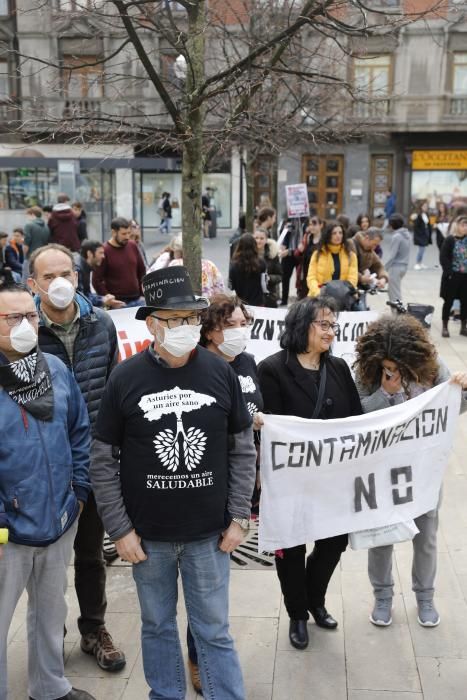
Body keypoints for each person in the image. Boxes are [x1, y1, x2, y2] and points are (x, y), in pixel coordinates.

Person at [90, 266, 256, 700]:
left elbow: (242, 448)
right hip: (148, 540)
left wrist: (240, 515)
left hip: (210, 536)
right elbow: (103, 459)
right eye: (174, 320)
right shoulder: (125, 378)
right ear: (151, 323)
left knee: (214, 631)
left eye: (191, 319)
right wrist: (119, 529)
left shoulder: (220, 374)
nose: (185, 328)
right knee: (157, 627)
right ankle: (165, 694)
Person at [28, 244, 126, 673]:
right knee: (43, 559)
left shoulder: (100, 324)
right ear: (33, 284)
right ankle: (50, 636)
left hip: (91, 462)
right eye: (48, 277)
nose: (58, 282)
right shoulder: (22, 330)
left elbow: (116, 387)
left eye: (65, 272)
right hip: (40, 467)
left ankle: (94, 630)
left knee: (90, 554)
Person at [0, 282, 95, 700]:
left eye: (31, 316)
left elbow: (79, 431)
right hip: (7, 533)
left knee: (50, 610)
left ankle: (49, 688)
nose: (25, 324)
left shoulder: (54, 369)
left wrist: (78, 490)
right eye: (12, 318)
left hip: (58, 517)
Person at [257, 297, 363, 650]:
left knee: (334, 544)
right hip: (291, 483)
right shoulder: (272, 369)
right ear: (302, 327)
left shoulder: (338, 369)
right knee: (291, 549)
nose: (331, 331)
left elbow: (357, 418)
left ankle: (315, 600)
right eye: (324, 324)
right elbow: (269, 428)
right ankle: (297, 615)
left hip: (334, 481)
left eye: (334, 325)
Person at [353, 314, 467, 627]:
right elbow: (357, 415)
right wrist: (385, 394)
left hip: (423, 470)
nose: (394, 372)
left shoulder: (432, 366)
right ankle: (383, 596)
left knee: (426, 536)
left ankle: (425, 597)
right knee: (381, 536)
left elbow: (452, 406)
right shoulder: (366, 372)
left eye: (400, 367)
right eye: (388, 366)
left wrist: (462, 389)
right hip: (381, 470)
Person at [179, 293, 263, 693]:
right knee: (205, 590)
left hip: (239, 483)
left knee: (214, 590)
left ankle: (209, 654)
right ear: (211, 330)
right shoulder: (198, 367)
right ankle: (199, 658)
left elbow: (250, 418)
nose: (241, 331)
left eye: (245, 322)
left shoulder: (246, 363)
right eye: (232, 324)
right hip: (205, 487)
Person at [92, 217, 146, 307]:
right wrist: (109, 299)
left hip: (138, 300)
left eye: (129, 233)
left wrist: (142, 294)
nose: (127, 237)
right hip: (117, 304)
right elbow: (96, 280)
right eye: (123, 234)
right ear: (113, 232)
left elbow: (142, 271)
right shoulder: (104, 250)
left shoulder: (132, 245)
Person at [153, 233, 225, 298]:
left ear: (177, 250)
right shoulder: (210, 264)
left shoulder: (175, 264)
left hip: (183, 309)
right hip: (207, 307)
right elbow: (220, 290)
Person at [306, 221, 358, 298]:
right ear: (328, 235)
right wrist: (318, 293)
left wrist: (343, 293)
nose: (338, 236)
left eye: (340, 233)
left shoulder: (351, 255)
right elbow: (311, 278)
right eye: (334, 233)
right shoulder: (317, 254)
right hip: (319, 297)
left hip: (342, 297)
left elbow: (352, 279)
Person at [440, 215, 467, 338]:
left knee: (465, 302)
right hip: (453, 276)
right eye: (463, 225)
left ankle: (463, 327)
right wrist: (449, 272)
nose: (465, 228)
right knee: (448, 302)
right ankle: (445, 327)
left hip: (465, 276)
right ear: (457, 226)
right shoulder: (450, 240)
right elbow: (443, 257)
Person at [77, 240, 125, 309]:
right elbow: (80, 299)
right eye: (100, 253)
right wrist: (102, 300)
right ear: (89, 253)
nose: (103, 256)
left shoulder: (85, 267)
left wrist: (103, 298)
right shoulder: (78, 269)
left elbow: (86, 294)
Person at [229, 233, 267, 306]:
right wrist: (266, 294)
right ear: (254, 245)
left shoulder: (234, 265)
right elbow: (264, 284)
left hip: (241, 304)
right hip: (258, 302)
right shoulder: (261, 263)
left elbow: (231, 286)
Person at [382, 213, 411, 304]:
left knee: (394, 294)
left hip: (396, 267)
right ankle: (398, 314)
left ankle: (397, 316)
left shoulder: (396, 236)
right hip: (404, 266)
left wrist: (383, 269)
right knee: (396, 292)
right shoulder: (407, 234)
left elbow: (392, 256)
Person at [352, 227, 388, 298]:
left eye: (376, 245)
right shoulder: (351, 244)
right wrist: (361, 278)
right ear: (367, 238)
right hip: (349, 286)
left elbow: (379, 266)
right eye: (374, 244)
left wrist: (383, 278)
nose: (374, 248)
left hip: (361, 287)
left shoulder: (369, 250)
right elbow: (347, 268)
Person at [294, 216, 323, 299]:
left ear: (321, 225)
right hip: (306, 273)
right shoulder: (307, 238)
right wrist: (299, 251)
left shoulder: (324, 240)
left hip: (318, 274)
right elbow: (297, 256)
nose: (312, 227)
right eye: (310, 224)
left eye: (314, 224)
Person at [253, 227, 282, 307]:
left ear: (266, 240)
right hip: (252, 296)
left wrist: (269, 278)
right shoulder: (248, 254)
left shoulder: (272, 255)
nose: (258, 241)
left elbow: (280, 276)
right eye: (256, 238)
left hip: (269, 296)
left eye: (262, 238)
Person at [278, 219, 300, 306]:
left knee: (300, 278)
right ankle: (284, 300)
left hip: (299, 254)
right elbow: (281, 236)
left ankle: (300, 299)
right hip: (286, 255)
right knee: (285, 278)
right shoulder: (284, 222)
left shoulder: (303, 222)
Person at [413, 200, 432, 270]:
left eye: (426, 206)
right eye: (424, 206)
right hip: (420, 235)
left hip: (425, 235)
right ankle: (417, 263)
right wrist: (421, 233)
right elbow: (416, 226)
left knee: (423, 250)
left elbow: (428, 224)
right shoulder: (418, 215)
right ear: (421, 207)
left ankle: (420, 263)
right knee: (421, 249)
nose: (426, 207)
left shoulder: (426, 214)